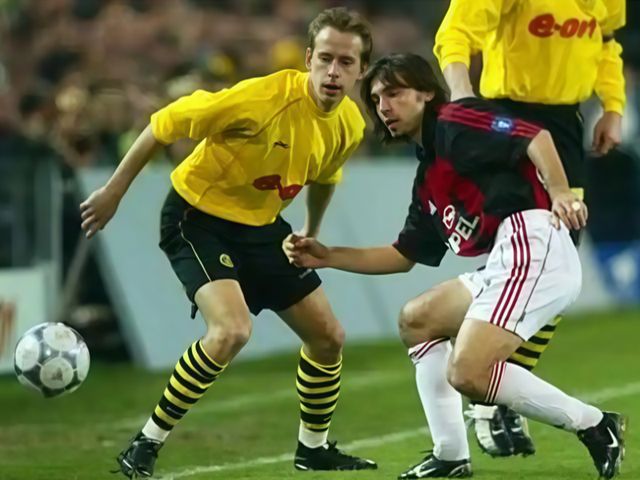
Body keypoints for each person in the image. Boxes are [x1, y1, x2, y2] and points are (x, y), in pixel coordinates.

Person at [283, 53, 626, 479]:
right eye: (376, 99)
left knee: (468, 373)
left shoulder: (455, 120)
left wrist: (560, 192)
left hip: (532, 243)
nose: (384, 106)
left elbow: (534, 136)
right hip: (507, 258)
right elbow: (403, 255)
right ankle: (450, 456)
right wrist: (329, 256)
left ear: (426, 93)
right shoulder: (429, 176)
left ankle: (595, 424)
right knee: (418, 319)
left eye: (394, 93)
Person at [79, 7, 377, 478]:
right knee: (231, 331)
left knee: (328, 338)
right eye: (325, 59)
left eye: (346, 62)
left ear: (362, 70)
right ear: (308, 59)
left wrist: (310, 231)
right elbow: (164, 123)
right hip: (197, 218)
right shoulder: (260, 100)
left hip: (262, 227)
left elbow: (325, 177)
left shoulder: (350, 125)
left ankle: (313, 449)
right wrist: (114, 192)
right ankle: (145, 444)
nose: (333, 72)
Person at [433, 0, 627, 456]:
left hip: (565, 124)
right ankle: (489, 391)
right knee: (525, 258)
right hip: (508, 116)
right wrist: (462, 95)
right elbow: (455, 33)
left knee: (555, 269)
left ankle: (497, 387)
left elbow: (607, 44)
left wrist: (613, 106)